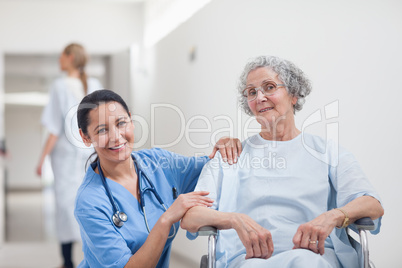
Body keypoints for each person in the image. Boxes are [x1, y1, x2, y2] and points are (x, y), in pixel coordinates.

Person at [181, 55, 384, 268]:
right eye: (251, 92)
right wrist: (234, 220)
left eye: (269, 87)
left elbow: (372, 204)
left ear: (294, 94)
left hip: (315, 256)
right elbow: (191, 217)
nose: (259, 97)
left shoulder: (328, 153)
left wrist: (333, 216)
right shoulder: (230, 156)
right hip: (248, 259)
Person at [74, 89, 241, 268]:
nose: (116, 137)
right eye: (102, 130)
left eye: (121, 123)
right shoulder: (89, 202)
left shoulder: (159, 163)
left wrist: (228, 144)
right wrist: (166, 218)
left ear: (131, 120)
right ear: (85, 137)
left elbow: (212, 167)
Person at [36, 43, 102, 268]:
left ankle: (67, 262)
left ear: (70, 57)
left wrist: (41, 159)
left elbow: (54, 127)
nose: (58, 60)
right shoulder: (94, 84)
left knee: (66, 210)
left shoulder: (59, 86)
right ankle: (92, 260)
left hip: (66, 157)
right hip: (91, 155)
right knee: (90, 206)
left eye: (61, 56)